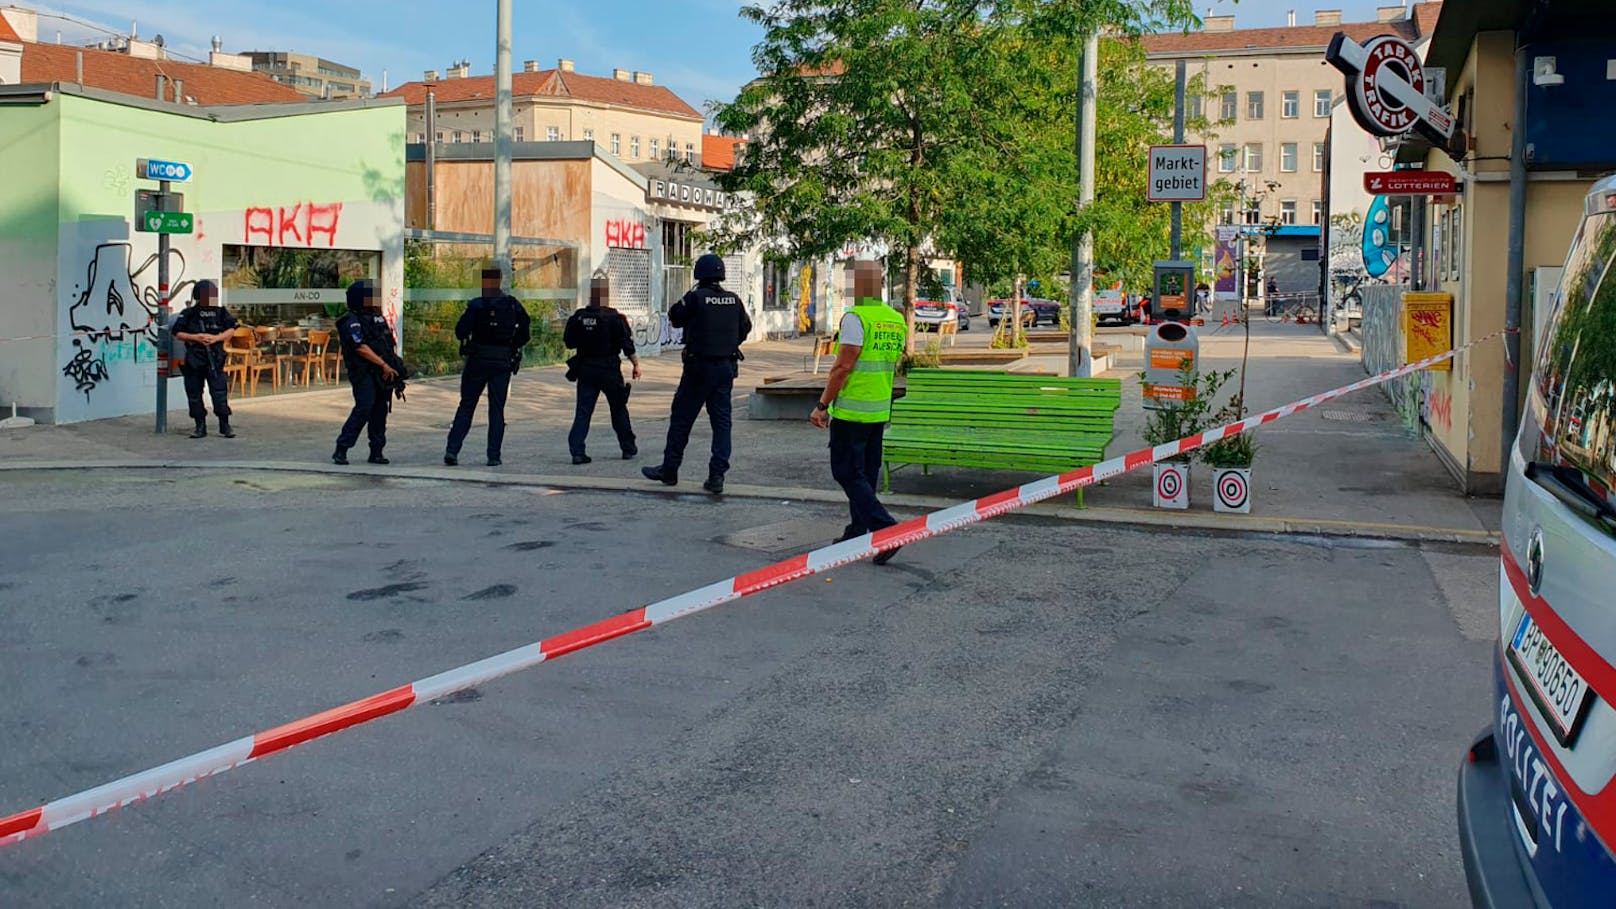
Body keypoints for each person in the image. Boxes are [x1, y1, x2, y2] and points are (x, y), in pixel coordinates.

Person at [810, 259, 906, 566]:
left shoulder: (856, 318)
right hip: (878, 408)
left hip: (852, 410)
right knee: (865, 472)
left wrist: (822, 405)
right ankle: (858, 530)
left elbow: (843, 367)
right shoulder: (894, 318)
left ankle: (885, 528)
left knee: (846, 471)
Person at [641, 253, 751, 494]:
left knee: (681, 419)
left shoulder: (695, 297)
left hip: (698, 369)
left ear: (699, 274)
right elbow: (746, 328)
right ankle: (717, 476)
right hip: (725, 369)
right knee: (722, 424)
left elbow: (675, 317)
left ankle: (669, 470)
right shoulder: (734, 300)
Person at [445, 266, 531, 467]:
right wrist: (512, 346)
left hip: (478, 360)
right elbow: (525, 332)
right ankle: (494, 456)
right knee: (497, 410)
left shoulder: (476, 305)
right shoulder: (512, 305)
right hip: (501, 361)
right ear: (499, 282)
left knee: (466, 406)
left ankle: (452, 450)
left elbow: (460, 331)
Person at [564, 273, 640, 464]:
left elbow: (569, 342)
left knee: (583, 411)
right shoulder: (614, 317)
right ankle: (628, 447)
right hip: (609, 370)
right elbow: (626, 343)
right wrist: (636, 364)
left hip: (586, 369)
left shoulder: (579, 317)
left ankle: (577, 452)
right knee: (618, 409)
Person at [333, 279, 406, 466]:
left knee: (380, 411)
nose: (374, 300)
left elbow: (388, 343)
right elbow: (360, 347)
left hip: (382, 372)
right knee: (365, 407)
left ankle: (377, 451)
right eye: (370, 296)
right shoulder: (350, 321)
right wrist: (383, 365)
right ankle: (342, 448)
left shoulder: (377, 317)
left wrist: (392, 365)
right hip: (363, 372)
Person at [169, 279, 238, 439]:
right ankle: (200, 426)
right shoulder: (189, 313)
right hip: (195, 359)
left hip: (214, 359)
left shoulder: (220, 312)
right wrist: (196, 337)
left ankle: (224, 425)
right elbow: (178, 333)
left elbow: (231, 329)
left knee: (219, 393)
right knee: (194, 394)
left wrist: (216, 338)